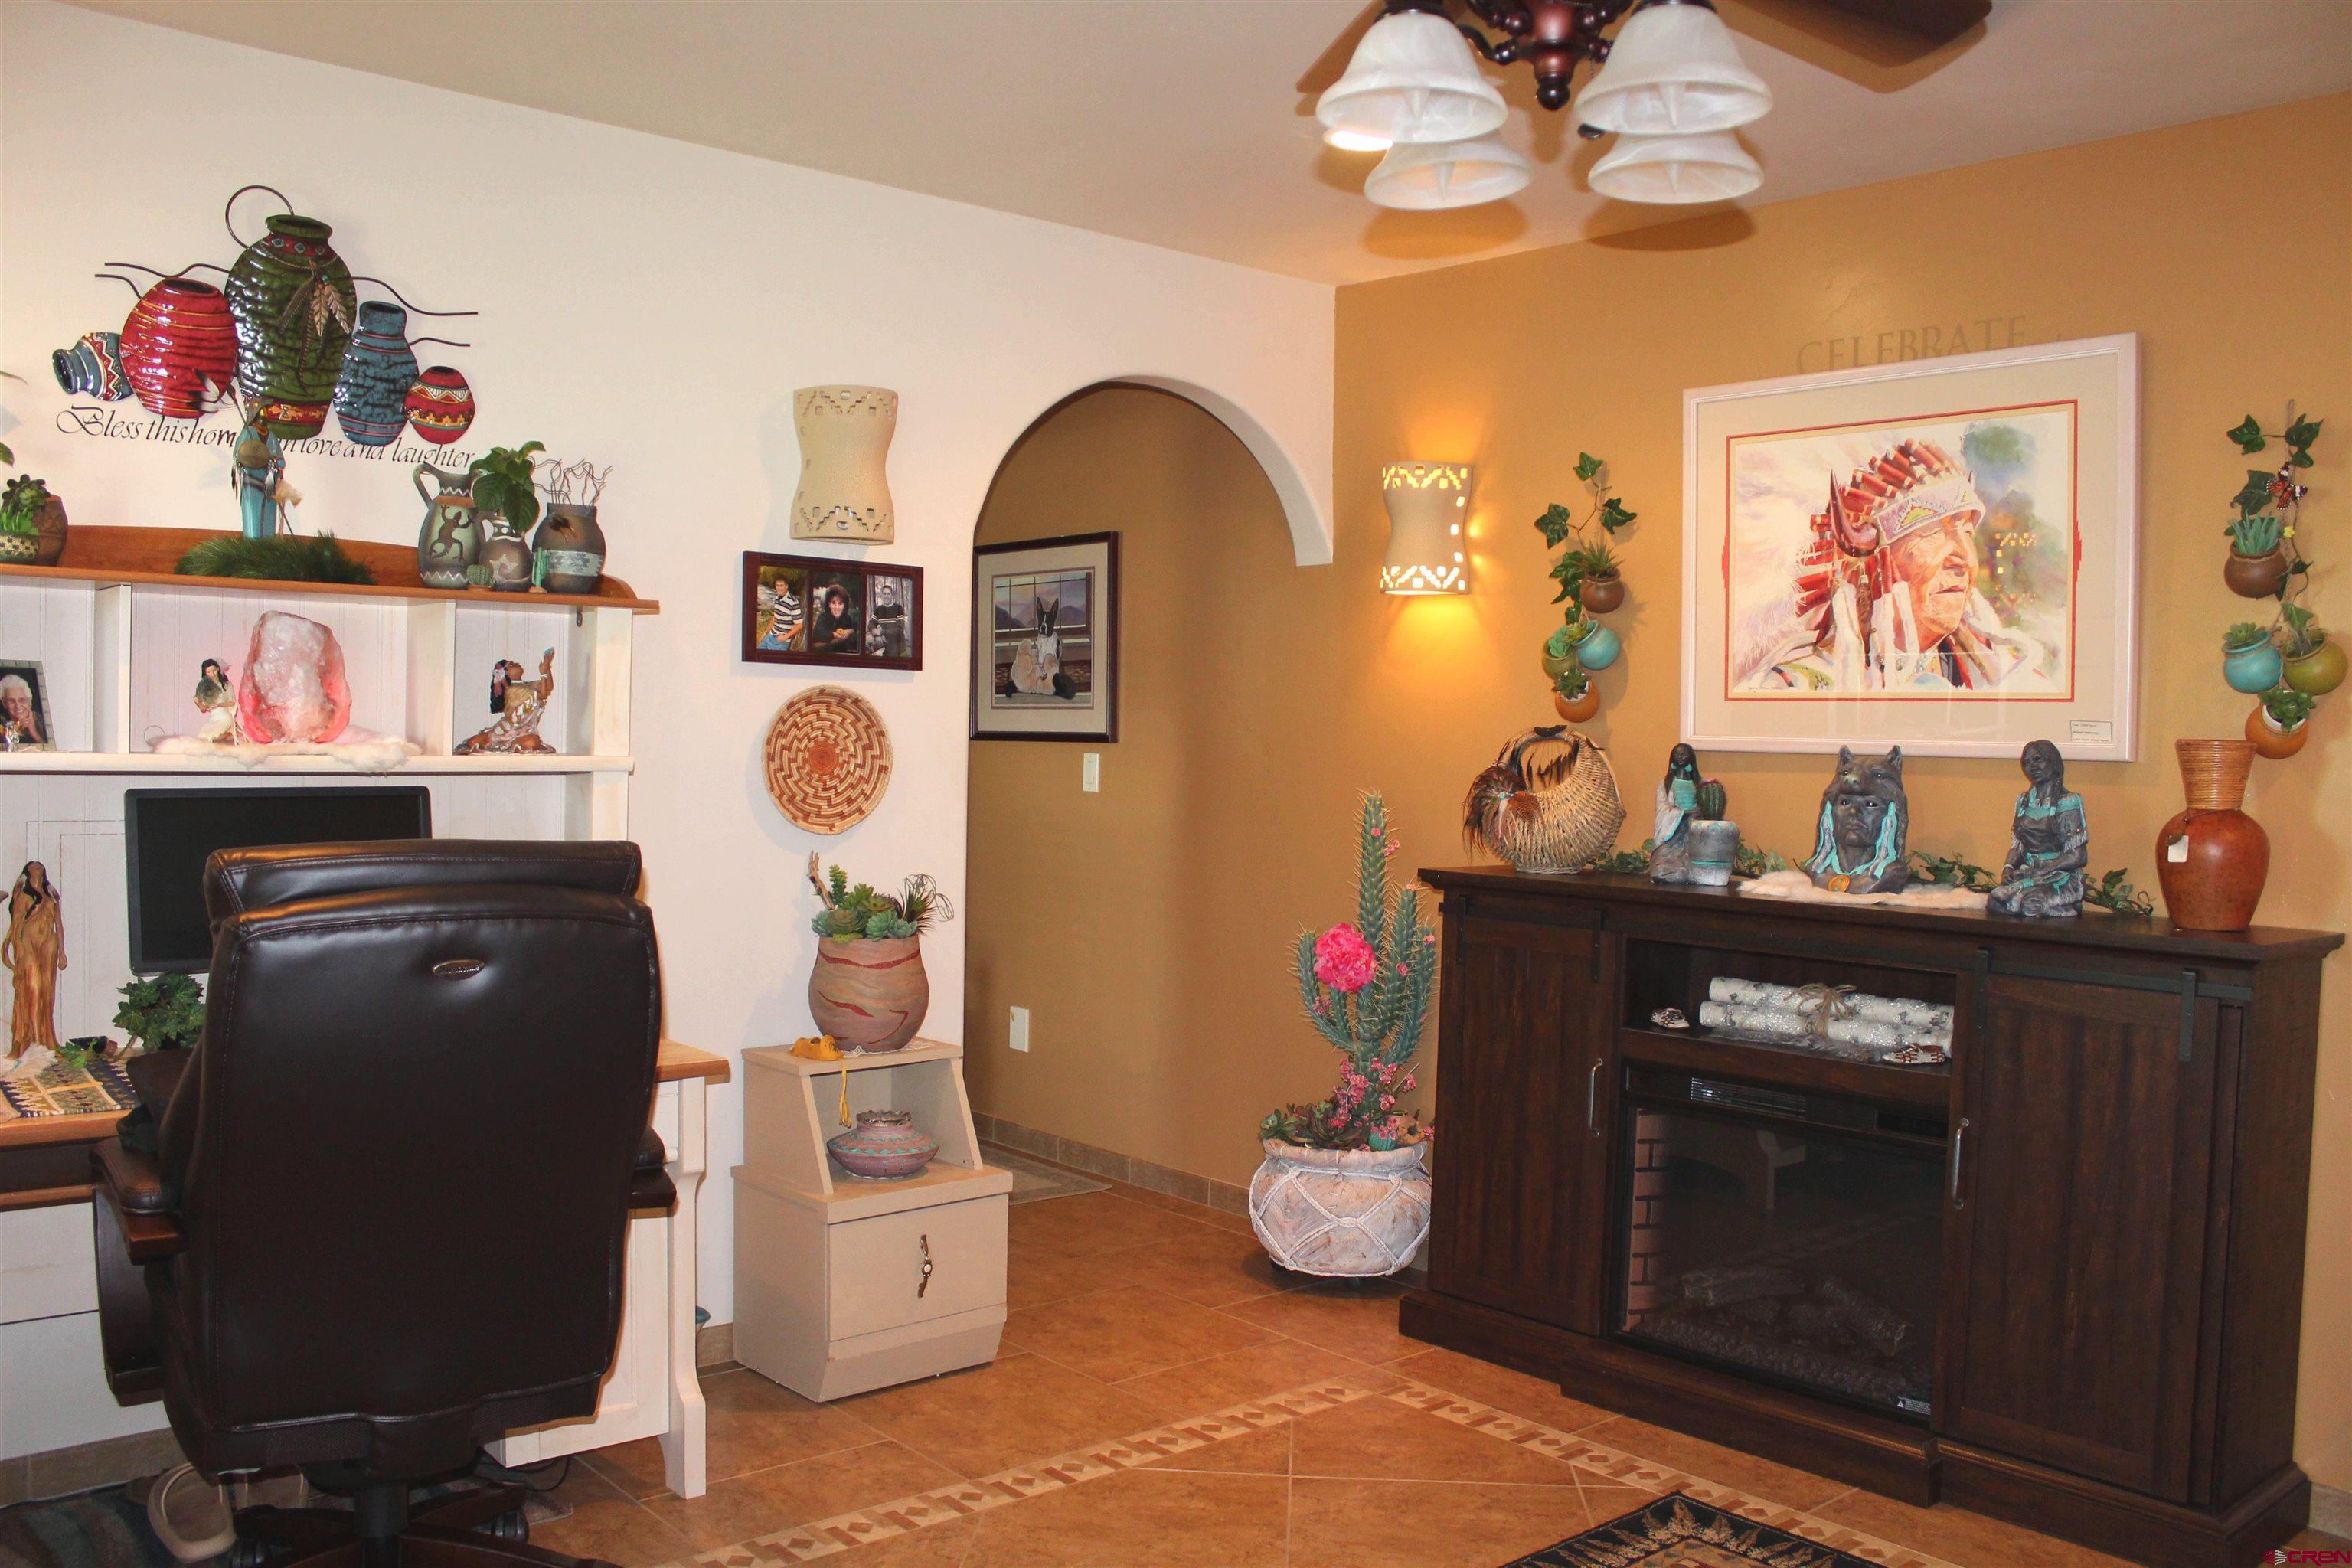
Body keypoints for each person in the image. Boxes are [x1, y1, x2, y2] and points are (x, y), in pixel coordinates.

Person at [1746, 439, 2043, 694]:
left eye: (1967, 533)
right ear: (1872, 567)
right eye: (1933, 534)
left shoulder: (2004, 673)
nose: (1966, 559)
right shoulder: (1796, 687)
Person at [1988, 740, 2088, 917]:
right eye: (2027, 763)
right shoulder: (2023, 802)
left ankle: (2069, 905)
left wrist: (2043, 871)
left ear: (2053, 762)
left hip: (2058, 876)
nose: (2032, 767)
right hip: (2029, 873)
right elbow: (2018, 846)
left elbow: (2078, 856)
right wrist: (2008, 867)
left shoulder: (2068, 802)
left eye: (2037, 760)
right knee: (1996, 901)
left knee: (2031, 905)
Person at [3, 861, 67, 1056]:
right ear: (28, 872)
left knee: (47, 992)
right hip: (28, 943)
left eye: (40, 866)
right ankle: (33, 1040)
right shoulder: (23, 896)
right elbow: (16, 925)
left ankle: (47, 1039)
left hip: (49, 943)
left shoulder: (52, 897)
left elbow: (58, 924)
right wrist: (18, 950)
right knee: (34, 988)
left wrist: (62, 952)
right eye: (33, 867)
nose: (37, 868)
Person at [1648, 743, 1703, 884]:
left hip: (1691, 830)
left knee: (1695, 866)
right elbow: (1662, 809)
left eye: (1684, 754)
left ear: (1691, 758)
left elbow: (1703, 808)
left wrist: (1695, 815)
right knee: (1659, 869)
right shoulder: (1665, 784)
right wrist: (1681, 813)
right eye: (1677, 754)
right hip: (1672, 831)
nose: (1680, 757)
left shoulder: (1698, 785)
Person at [0, 672, 46, 750]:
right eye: (12, 701)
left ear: (29, 702)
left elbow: (50, 751)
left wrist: (34, 733)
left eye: (22, 700)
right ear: (4, 703)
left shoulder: (42, 721)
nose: (18, 705)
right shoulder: (2, 723)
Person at [811, 584, 861, 655]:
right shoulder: (823, 617)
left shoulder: (847, 618)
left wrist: (850, 631)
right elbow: (818, 634)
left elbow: (855, 628)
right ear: (829, 604)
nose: (837, 607)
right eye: (834, 603)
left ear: (844, 606)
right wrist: (834, 635)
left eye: (840, 603)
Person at [870, 580, 910, 658]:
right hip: (886, 646)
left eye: (888, 594)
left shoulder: (898, 608)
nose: (886, 596)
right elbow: (871, 624)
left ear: (892, 595)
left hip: (898, 646)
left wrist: (882, 632)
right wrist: (876, 635)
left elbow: (900, 628)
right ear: (882, 595)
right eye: (884, 594)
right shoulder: (879, 609)